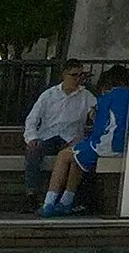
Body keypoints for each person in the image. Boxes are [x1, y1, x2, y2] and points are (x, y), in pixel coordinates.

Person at [38, 65, 129, 215]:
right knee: (76, 157)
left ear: (108, 84)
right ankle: (65, 201)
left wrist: (94, 119)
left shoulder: (106, 98)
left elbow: (100, 129)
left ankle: (49, 203)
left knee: (63, 156)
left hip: (110, 145)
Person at [21, 60, 95, 199]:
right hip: (48, 137)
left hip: (70, 139)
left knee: (81, 154)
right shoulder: (49, 95)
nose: (78, 79)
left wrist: (94, 115)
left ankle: (77, 198)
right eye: (74, 75)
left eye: (81, 75)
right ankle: (31, 193)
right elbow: (32, 119)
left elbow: (96, 113)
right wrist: (32, 138)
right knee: (33, 151)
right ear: (64, 75)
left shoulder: (86, 96)